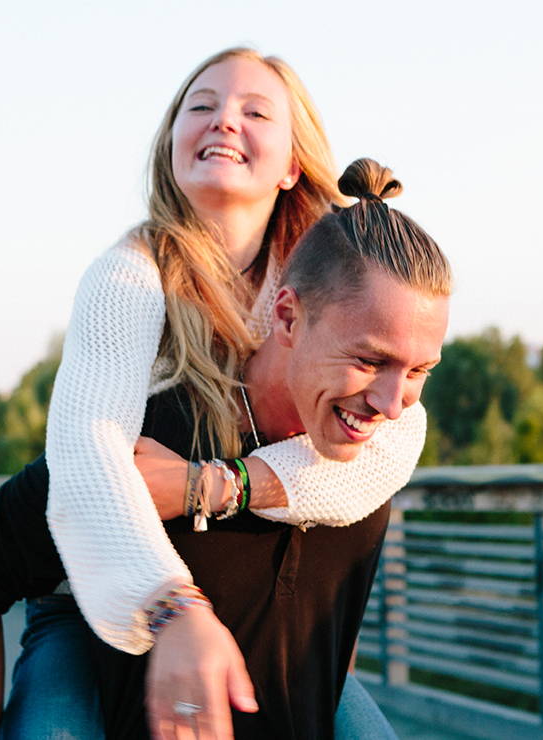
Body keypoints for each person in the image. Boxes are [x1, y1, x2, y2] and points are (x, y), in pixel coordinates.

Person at [0, 158, 452, 739]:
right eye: (369, 360)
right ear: (286, 316)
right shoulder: (145, 446)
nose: (391, 402)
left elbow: (332, 644)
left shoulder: (369, 462)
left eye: (419, 371)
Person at [41, 48, 424, 733]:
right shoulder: (127, 276)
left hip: (256, 612)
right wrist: (171, 605)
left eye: (254, 111)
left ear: (292, 165)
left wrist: (218, 485)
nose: (223, 121)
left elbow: (395, 440)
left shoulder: (331, 271)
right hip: (104, 601)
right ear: (171, 147)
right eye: (201, 106)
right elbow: (89, 455)